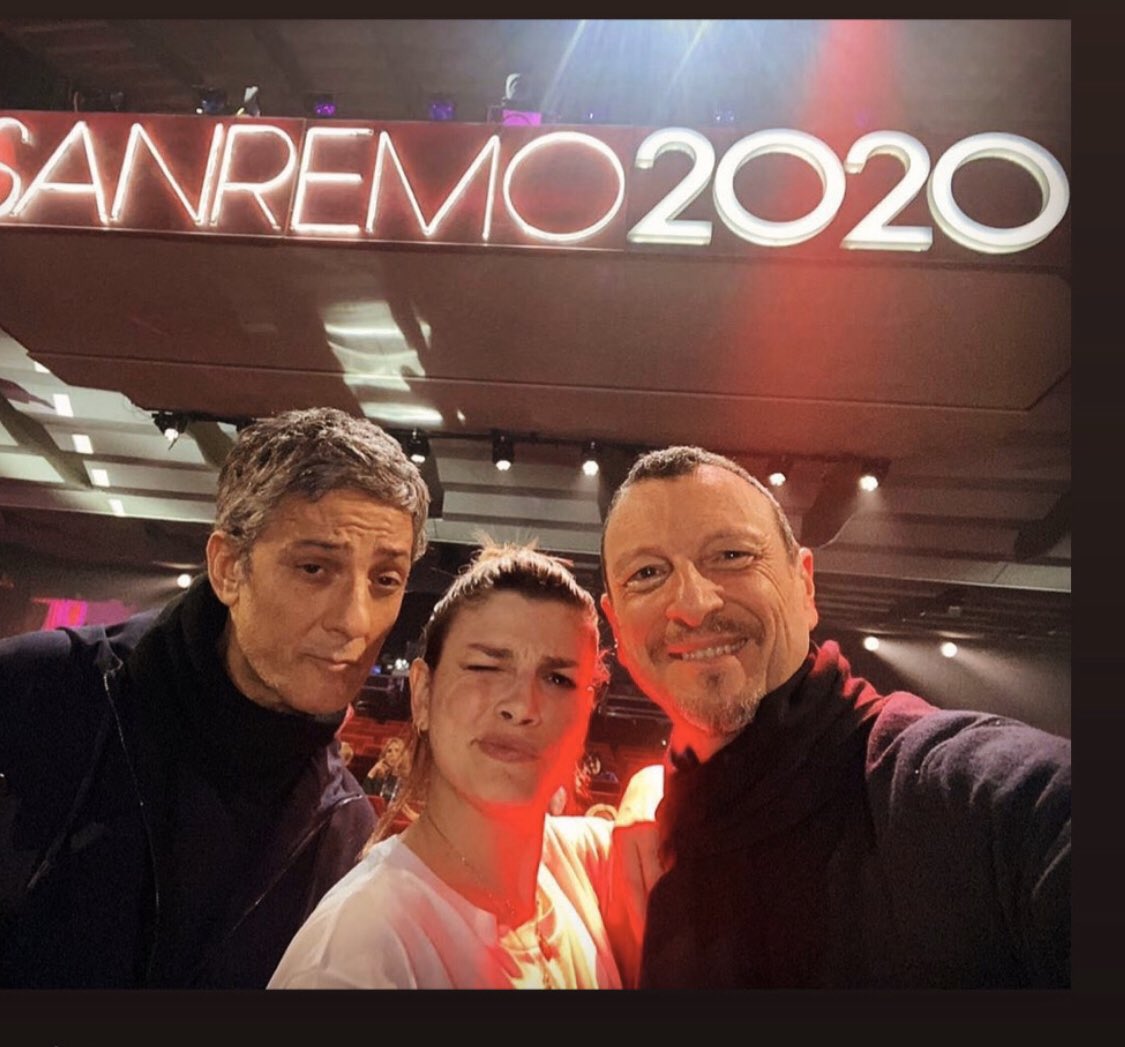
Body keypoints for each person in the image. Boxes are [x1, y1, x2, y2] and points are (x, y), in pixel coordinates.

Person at [599, 445, 1071, 989]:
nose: (692, 604)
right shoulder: (667, 843)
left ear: (804, 585)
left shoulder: (944, 792)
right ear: (617, 628)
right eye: (647, 573)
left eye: (731, 555)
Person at [0, 406, 430, 988]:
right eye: (314, 568)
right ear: (228, 568)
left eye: (385, 580)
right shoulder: (40, 691)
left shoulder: (343, 830)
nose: (355, 621)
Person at [268, 543, 625, 989]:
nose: (522, 706)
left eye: (559, 679)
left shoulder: (574, 865)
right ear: (422, 694)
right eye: (485, 667)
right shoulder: (353, 960)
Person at [363, 735, 407, 803]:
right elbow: (366, 800)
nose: (392, 754)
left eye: (397, 750)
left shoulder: (408, 779)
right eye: (389, 751)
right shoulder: (380, 778)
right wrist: (372, 772)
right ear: (384, 757)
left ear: (403, 755)